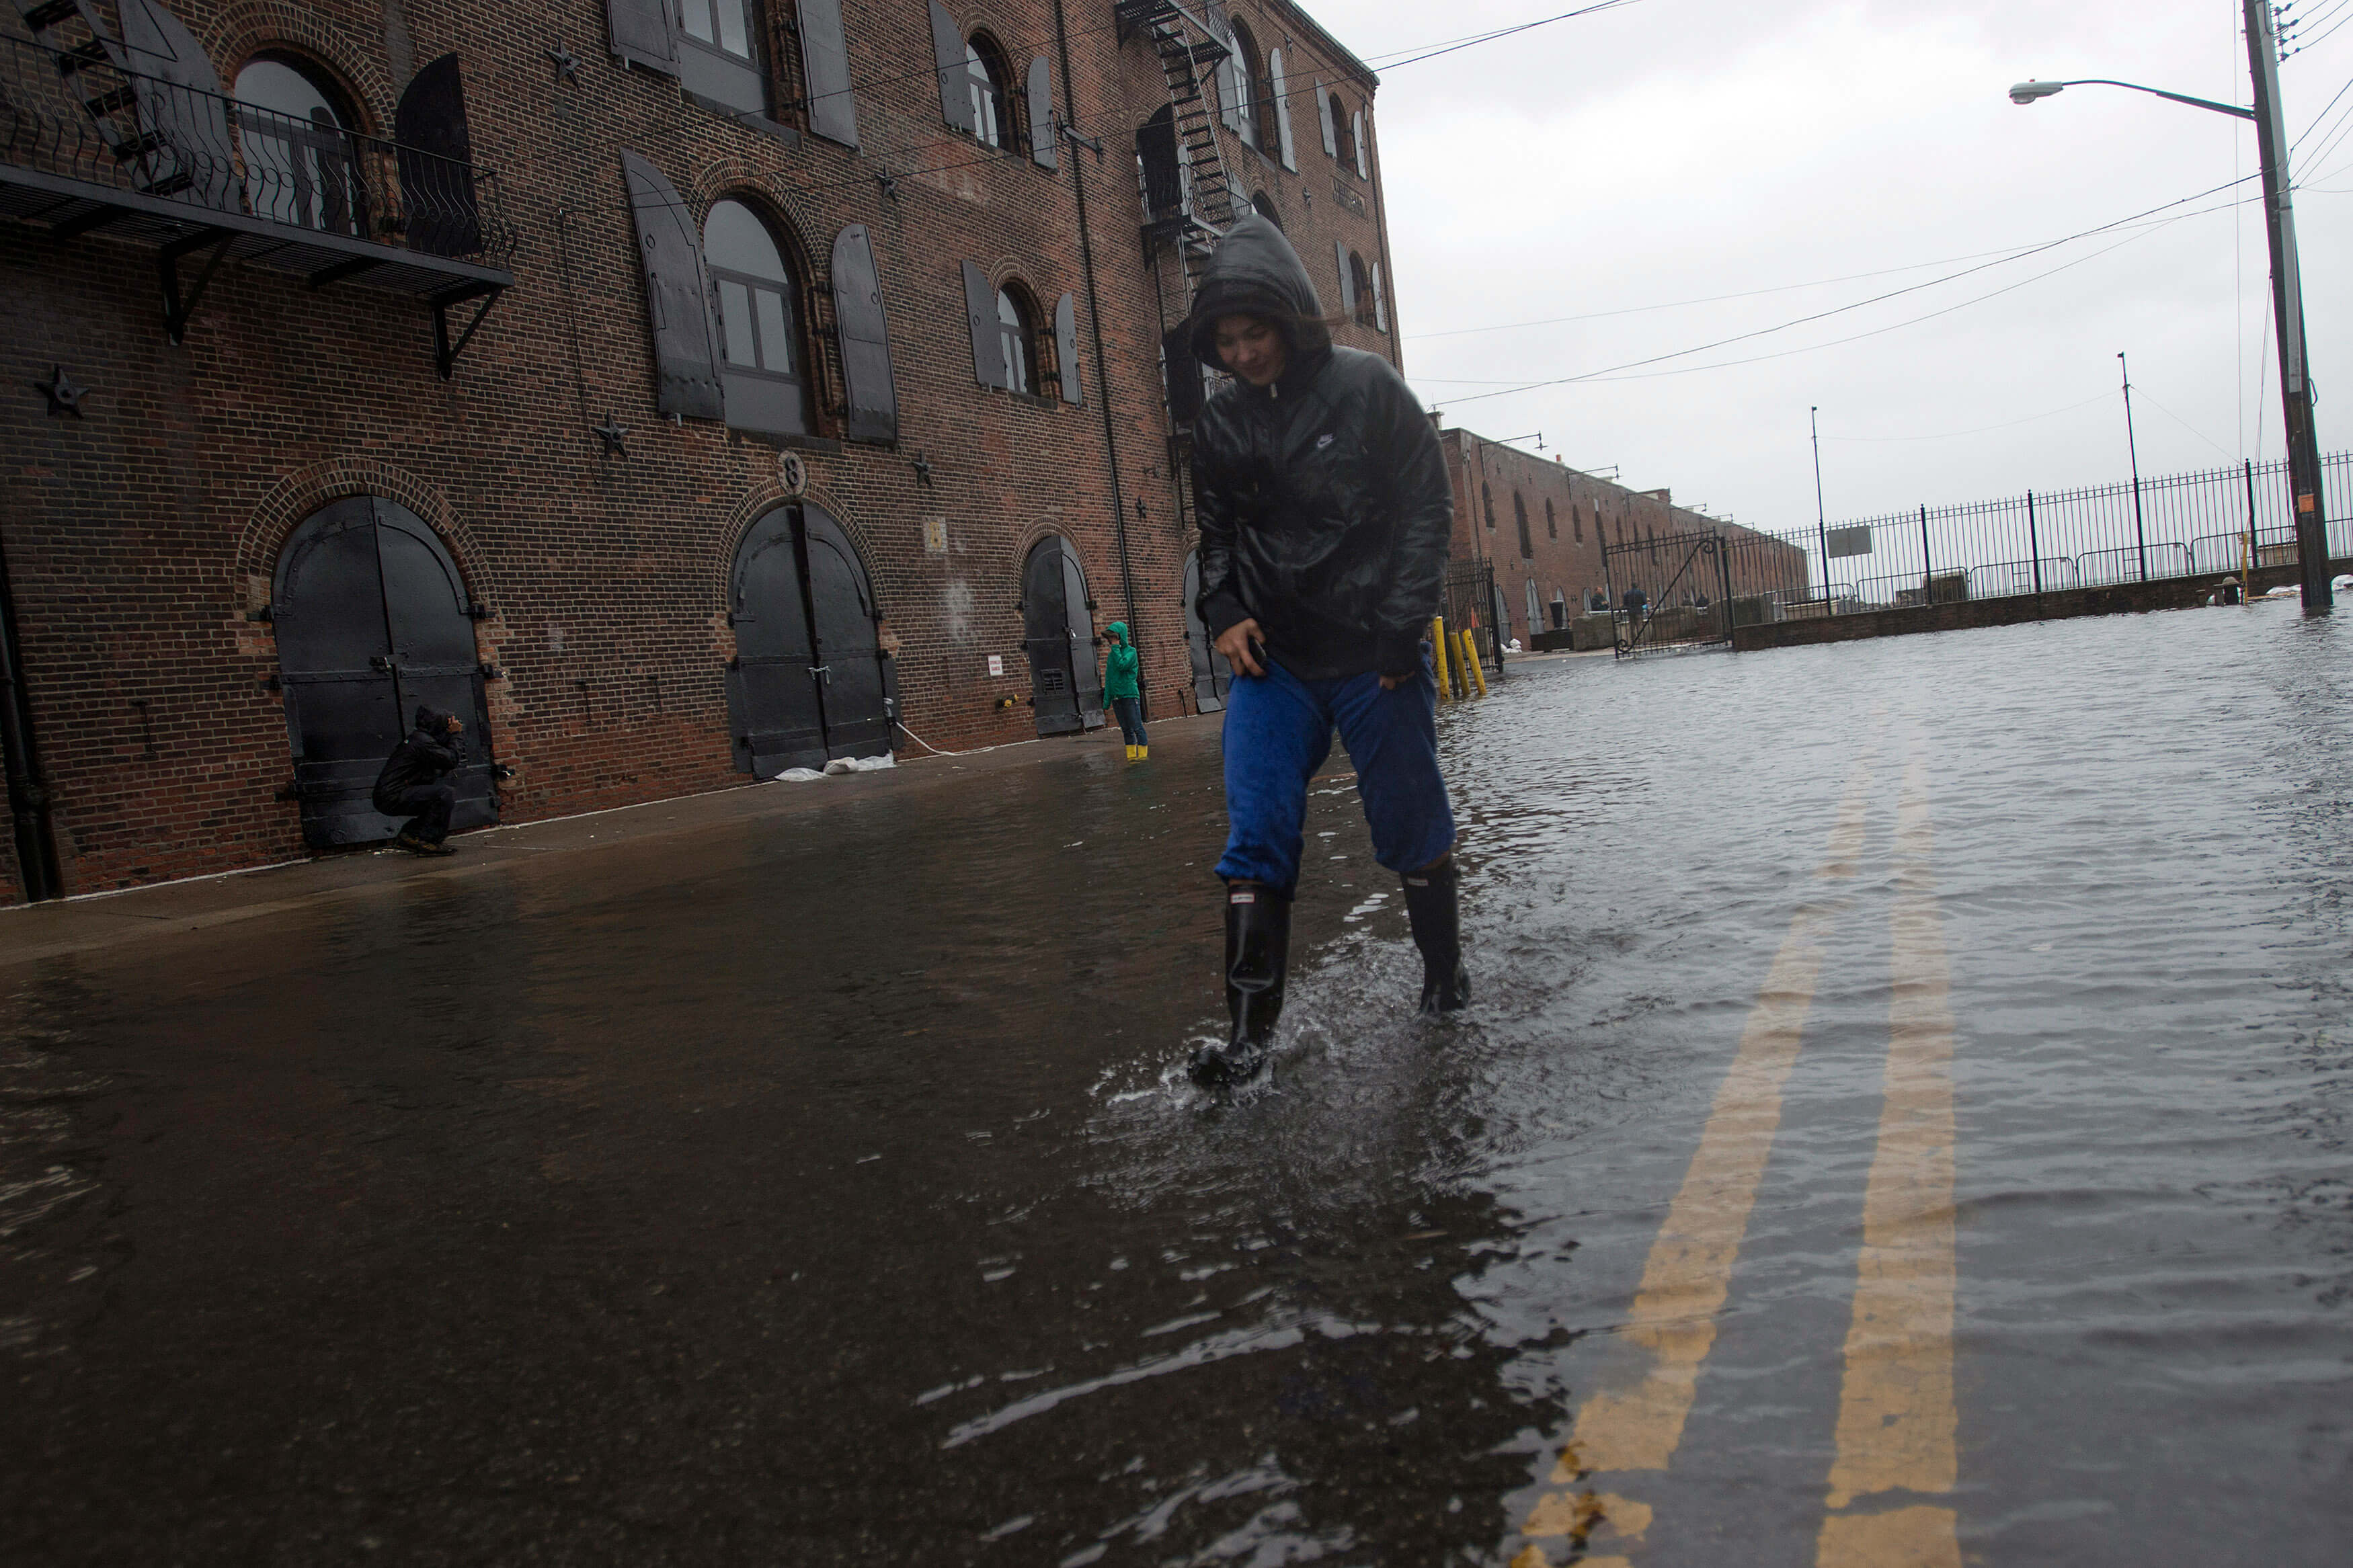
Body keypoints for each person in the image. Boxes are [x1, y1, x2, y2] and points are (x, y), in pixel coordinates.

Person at [1181, 214, 1466, 1088]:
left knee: (1408, 820)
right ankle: (1246, 1039)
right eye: (1226, 341)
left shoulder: (1369, 391)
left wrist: (1401, 626)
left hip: (1374, 653)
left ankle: (1444, 981)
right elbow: (1218, 534)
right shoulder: (1219, 425)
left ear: (1291, 318)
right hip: (1278, 661)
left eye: (1254, 332)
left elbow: (1425, 510)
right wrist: (1223, 609)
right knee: (1257, 831)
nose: (1243, 354)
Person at [372, 705, 465, 856]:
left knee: (436, 800)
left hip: (389, 794)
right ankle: (428, 841)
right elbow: (450, 759)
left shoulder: (420, 739)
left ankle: (410, 835)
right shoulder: (422, 742)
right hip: (392, 795)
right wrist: (456, 735)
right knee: (444, 794)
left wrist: (448, 735)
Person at [1101, 621, 1148, 761]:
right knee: (1126, 729)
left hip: (1129, 695)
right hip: (1117, 697)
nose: (1111, 641)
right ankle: (1132, 758)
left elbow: (1122, 665)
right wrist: (1107, 700)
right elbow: (1109, 678)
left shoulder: (1131, 652)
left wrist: (1116, 648)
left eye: (1114, 637)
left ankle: (1143, 758)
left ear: (1121, 637)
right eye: (1110, 638)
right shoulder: (1111, 656)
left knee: (1137, 727)